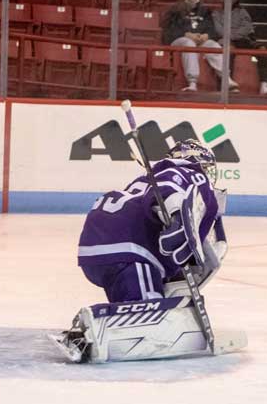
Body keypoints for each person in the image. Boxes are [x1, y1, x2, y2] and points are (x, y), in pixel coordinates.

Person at [50, 139, 230, 363]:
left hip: (101, 249)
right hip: (132, 253)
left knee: (129, 309)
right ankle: (87, 333)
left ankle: (103, 328)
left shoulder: (146, 178)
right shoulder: (189, 172)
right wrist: (176, 213)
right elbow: (170, 189)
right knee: (150, 314)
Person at [162, 0, 239, 92]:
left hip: (199, 40)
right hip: (179, 39)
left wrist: (206, 35)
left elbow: (212, 29)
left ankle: (226, 79)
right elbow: (168, 30)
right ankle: (192, 82)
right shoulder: (175, 9)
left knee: (213, 45)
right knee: (189, 43)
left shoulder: (205, 10)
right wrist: (186, 34)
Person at [212, 0, 267, 95]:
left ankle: (264, 84)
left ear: (235, 0)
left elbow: (247, 28)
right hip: (225, 40)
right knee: (229, 50)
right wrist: (231, 36)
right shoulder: (216, 13)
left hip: (243, 39)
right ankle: (227, 84)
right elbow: (219, 30)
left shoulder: (243, 12)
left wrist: (233, 35)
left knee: (262, 50)